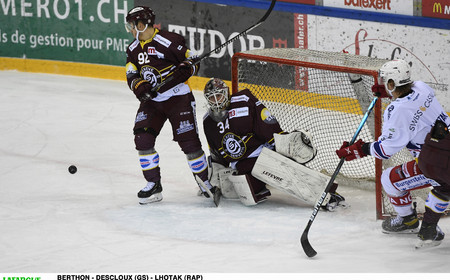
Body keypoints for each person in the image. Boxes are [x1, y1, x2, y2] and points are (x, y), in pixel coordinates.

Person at [335, 59, 450, 248]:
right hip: (446, 145)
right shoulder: (422, 87)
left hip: (435, 161)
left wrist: (359, 150)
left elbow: (385, 150)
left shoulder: (396, 112)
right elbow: (415, 105)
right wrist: (392, 95)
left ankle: (408, 221)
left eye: (386, 82)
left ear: (391, 84)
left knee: (389, 179)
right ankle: (425, 224)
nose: (382, 84)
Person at [202, 78, 346, 209]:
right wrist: (213, 182)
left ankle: (327, 193)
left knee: (282, 170)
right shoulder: (207, 121)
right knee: (248, 192)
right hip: (241, 165)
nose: (217, 101)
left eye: (219, 95)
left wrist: (282, 144)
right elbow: (216, 154)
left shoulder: (243, 99)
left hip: (261, 152)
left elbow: (265, 123)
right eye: (212, 98)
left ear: (226, 92)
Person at [124, 6, 215, 205]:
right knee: (143, 139)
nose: (130, 29)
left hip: (178, 98)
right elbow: (131, 73)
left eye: (132, 25)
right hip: (153, 102)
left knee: (189, 142)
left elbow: (192, 61)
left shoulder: (170, 41)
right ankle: (154, 186)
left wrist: (186, 69)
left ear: (141, 25)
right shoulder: (132, 49)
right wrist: (140, 87)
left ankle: (204, 181)